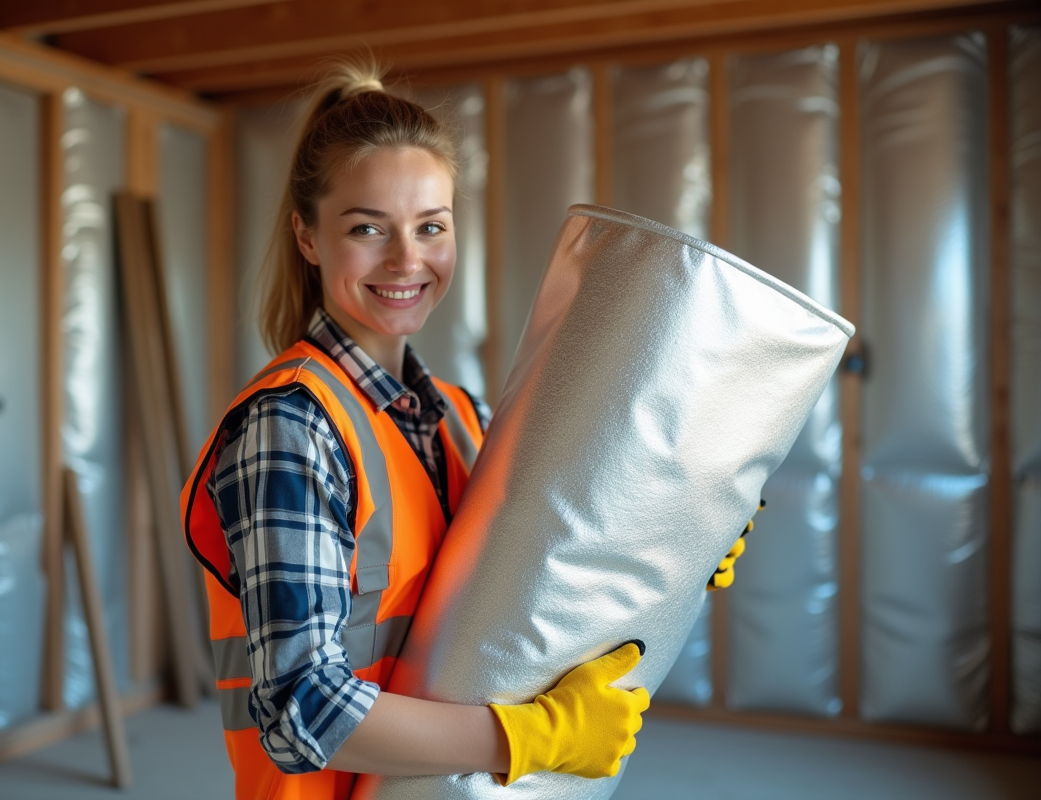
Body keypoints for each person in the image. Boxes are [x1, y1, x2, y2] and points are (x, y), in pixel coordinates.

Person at [181, 60, 748, 800]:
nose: (406, 259)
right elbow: (300, 712)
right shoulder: (290, 426)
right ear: (308, 237)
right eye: (366, 228)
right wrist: (532, 736)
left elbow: (535, 589)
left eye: (430, 227)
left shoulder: (465, 416)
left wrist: (674, 549)